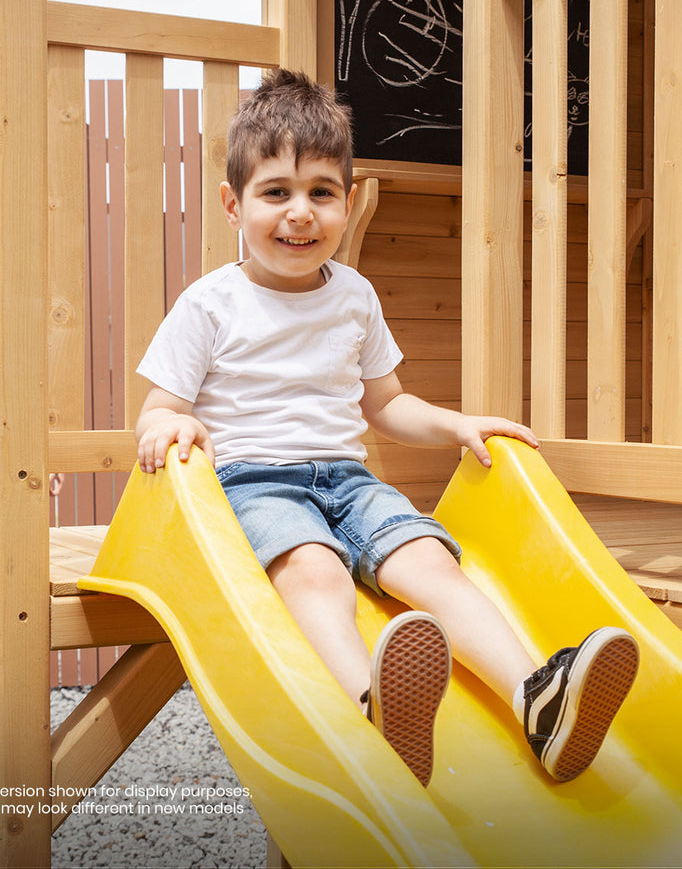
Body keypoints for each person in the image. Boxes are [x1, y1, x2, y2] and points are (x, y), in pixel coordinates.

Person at [135, 68, 639, 785]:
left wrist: (457, 423)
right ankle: (368, 704)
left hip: (348, 479)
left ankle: (538, 698)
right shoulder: (209, 305)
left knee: (431, 561)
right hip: (253, 484)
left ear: (348, 200)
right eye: (275, 192)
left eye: (321, 193)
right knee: (312, 569)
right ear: (232, 204)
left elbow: (385, 403)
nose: (300, 213)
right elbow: (158, 407)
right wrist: (168, 425)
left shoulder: (354, 295)